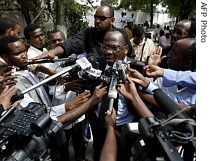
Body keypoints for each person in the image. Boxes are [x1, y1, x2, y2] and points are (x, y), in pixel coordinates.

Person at [90, 28, 139, 161]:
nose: (107, 52)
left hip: (125, 129)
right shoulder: (96, 65)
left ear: (126, 49)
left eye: (113, 48)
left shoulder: (136, 70)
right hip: (99, 127)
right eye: (104, 47)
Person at [32, 5, 135, 69]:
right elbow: (71, 43)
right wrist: (52, 52)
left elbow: (131, 57)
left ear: (112, 20)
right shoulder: (88, 33)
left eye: (102, 18)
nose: (97, 21)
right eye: (96, 17)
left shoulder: (121, 34)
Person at [48, 29, 87, 161]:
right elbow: (50, 92)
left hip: (79, 114)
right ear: (50, 44)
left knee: (80, 146)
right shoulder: (48, 65)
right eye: (54, 41)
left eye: (60, 40)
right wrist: (65, 87)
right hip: (61, 114)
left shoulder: (78, 59)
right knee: (63, 148)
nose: (57, 43)